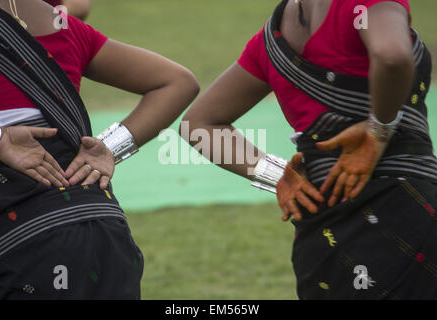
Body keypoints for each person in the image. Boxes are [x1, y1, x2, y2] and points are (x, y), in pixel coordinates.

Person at [181, 0, 437, 299]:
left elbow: (198, 125)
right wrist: (378, 131)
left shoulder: (269, 41)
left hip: (321, 233)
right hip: (403, 214)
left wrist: (278, 175)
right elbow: (391, 56)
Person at [0, 0, 199, 299]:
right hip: (104, 233)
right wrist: (109, 148)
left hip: (14, 247)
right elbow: (177, 83)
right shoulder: (68, 30)